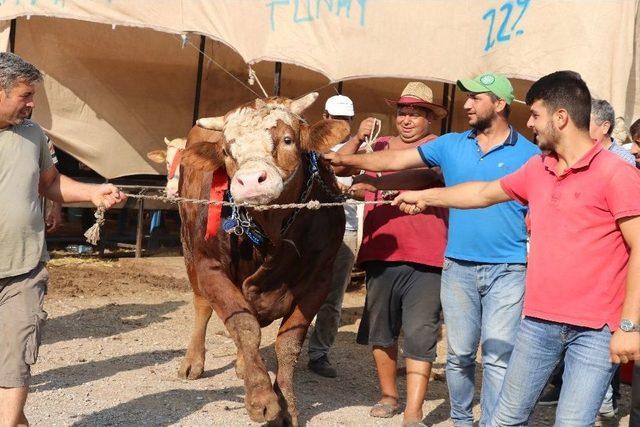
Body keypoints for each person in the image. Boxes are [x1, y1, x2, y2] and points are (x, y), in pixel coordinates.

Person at [391, 70, 640, 426]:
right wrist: (423, 196)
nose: (530, 123)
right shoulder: (538, 168)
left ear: (561, 117)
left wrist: (629, 326)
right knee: (504, 420)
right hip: (537, 324)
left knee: (571, 423)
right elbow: (481, 192)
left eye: (536, 114)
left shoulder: (617, 173)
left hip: (595, 332)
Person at [327, 73, 540, 426]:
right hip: (454, 264)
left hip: (502, 265)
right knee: (456, 355)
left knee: (495, 354)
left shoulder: (529, 155)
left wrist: (416, 195)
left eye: (476, 98)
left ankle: (490, 421)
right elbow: (390, 162)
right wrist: (349, 153)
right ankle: (458, 419)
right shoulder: (452, 145)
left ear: (500, 104)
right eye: (402, 110)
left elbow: (490, 194)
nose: (467, 105)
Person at [0, 52, 125, 427]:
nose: (32, 103)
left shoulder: (33, 134)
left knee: (16, 357)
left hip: (23, 268)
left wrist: (93, 193)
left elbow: (50, 184)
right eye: (25, 95)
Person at [335, 82, 448, 426]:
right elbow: (341, 169)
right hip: (381, 252)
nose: (407, 119)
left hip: (427, 254)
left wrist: (376, 183)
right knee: (382, 331)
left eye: (415, 113)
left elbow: (425, 175)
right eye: (402, 112)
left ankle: (413, 409)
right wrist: (357, 138)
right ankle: (388, 395)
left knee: (420, 332)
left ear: (429, 118)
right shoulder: (378, 146)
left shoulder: (440, 148)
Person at [537, 98, 635, 423]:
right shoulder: (566, 160)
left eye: (587, 121)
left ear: (604, 127)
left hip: (606, 290)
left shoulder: (620, 164)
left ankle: (606, 397)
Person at [306, 95, 360, 378]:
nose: (340, 124)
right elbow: (332, 167)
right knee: (297, 290)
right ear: (324, 116)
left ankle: (319, 353)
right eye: (335, 118)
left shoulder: (363, 149)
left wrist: (350, 190)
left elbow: (362, 180)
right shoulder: (310, 148)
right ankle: (290, 344)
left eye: (346, 119)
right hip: (307, 230)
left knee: (333, 297)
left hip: (344, 230)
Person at [589, 99, 636, 166]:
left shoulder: (624, 160)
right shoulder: (579, 154)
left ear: (605, 127)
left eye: (585, 125)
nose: (581, 130)